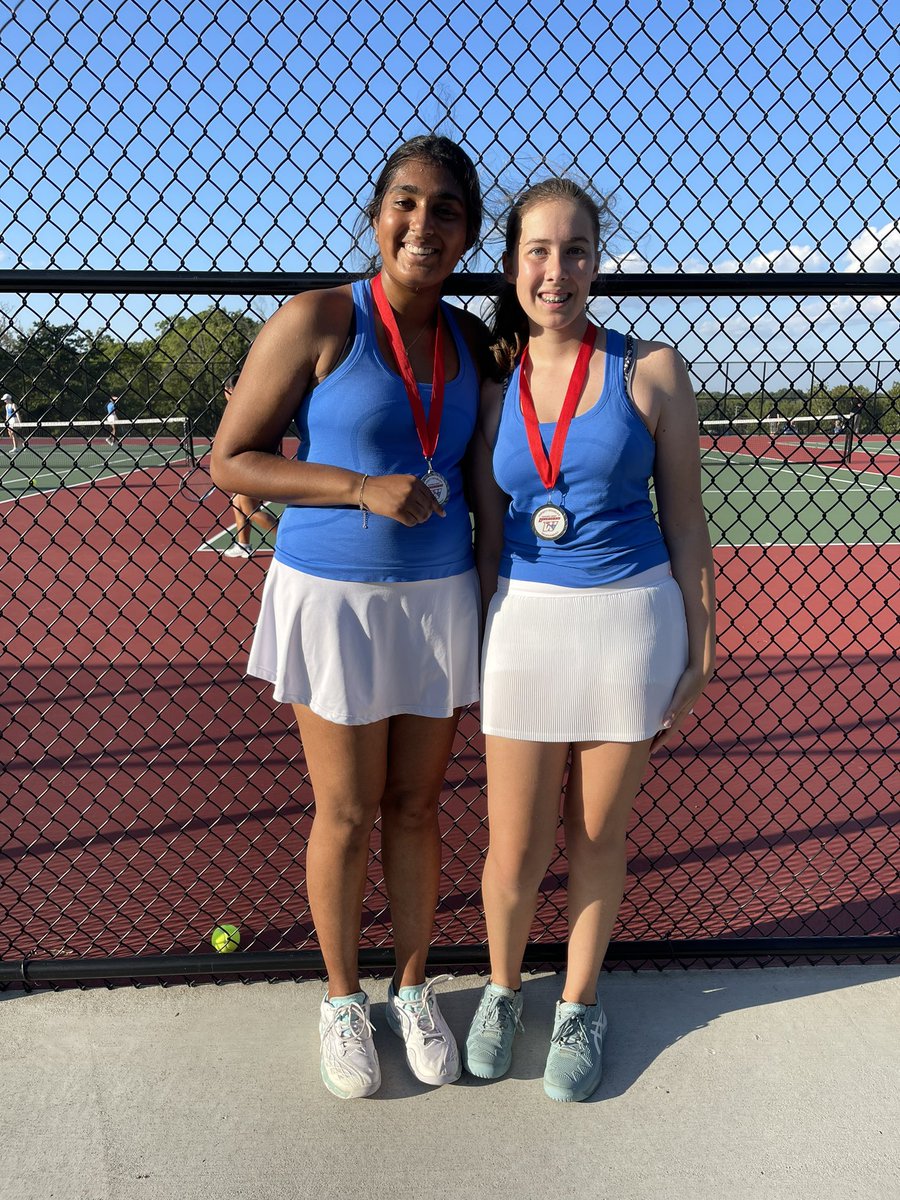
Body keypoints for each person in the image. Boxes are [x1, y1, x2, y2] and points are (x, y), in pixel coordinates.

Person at [210, 135, 489, 1099]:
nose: (422, 224)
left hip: (438, 598)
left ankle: (411, 988)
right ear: (377, 217)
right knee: (346, 809)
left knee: (415, 807)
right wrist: (358, 487)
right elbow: (233, 457)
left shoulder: (470, 341)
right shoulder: (321, 317)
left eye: (445, 209)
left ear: (467, 234)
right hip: (332, 599)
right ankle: (341, 998)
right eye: (405, 202)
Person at [465, 178, 716, 1102]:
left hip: (628, 625)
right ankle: (502, 990)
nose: (556, 270)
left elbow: (685, 520)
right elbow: (489, 536)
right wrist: (481, 637)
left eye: (575, 251)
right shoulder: (493, 390)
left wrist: (703, 642)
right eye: (538, 251)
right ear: (512, 264)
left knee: (599, 835)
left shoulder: (652, 370)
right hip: (526, 625)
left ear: (597, 262)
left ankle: (578, 1004)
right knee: (516, 846)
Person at [221, 375, 279, 558]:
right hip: (251, 462)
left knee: (250, 510)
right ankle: (243, 544)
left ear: (230, 390)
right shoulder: (252, 404)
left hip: (249, 465)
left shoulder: (239, 409)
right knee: (237, 502)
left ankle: (289, 542)